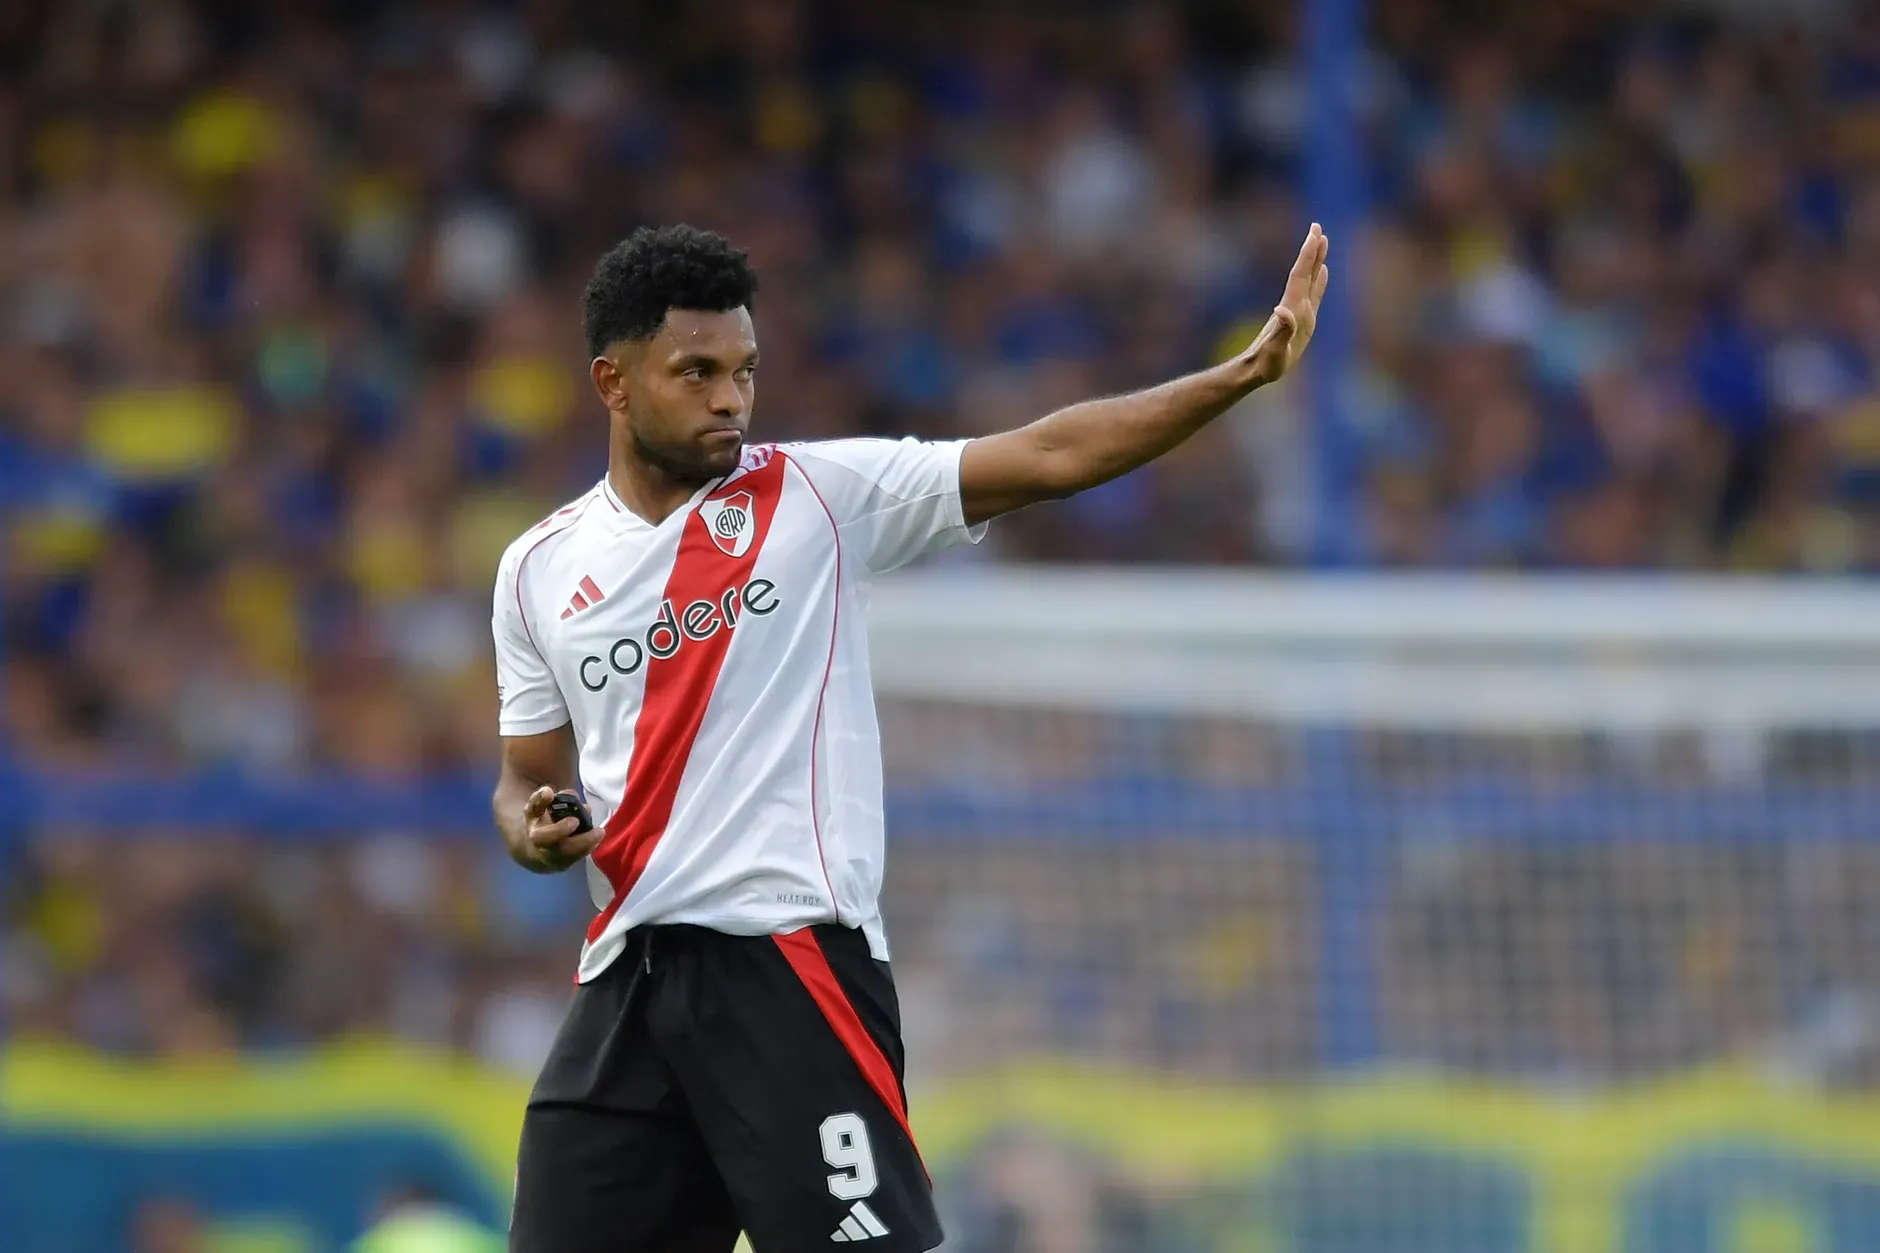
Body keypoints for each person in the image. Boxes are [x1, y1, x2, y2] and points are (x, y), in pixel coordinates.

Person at [493, 221, 1329, 1253]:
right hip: (625, 979)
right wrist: (532, 828)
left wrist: (1238, 375)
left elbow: (1051, 453)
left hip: (786, 960)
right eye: (695, 371)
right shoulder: (536, 569)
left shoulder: (816, 499)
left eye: (745, 370)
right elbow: (523, 778)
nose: (730, 397)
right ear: (612, 383)